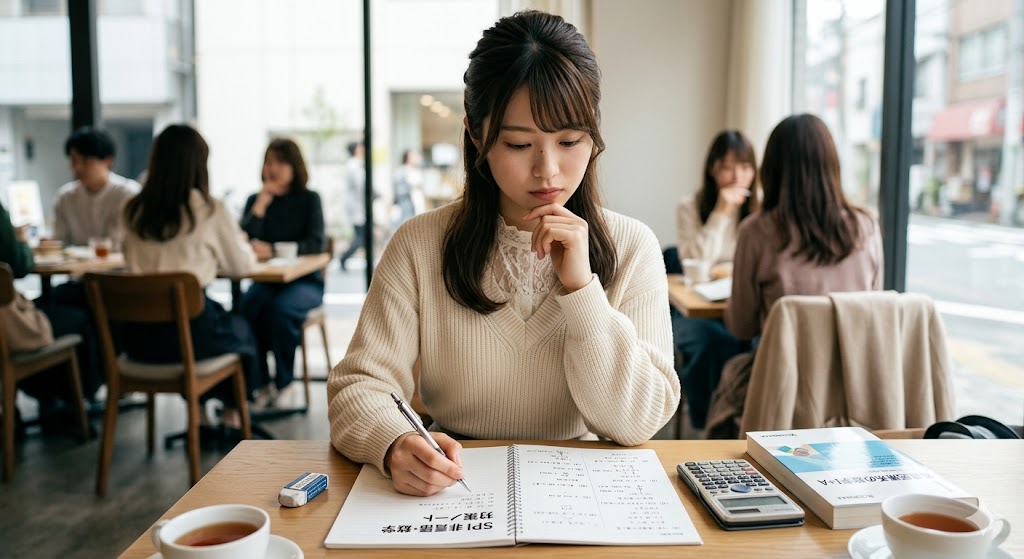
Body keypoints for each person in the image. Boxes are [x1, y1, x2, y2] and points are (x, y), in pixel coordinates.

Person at [327, 10, 679, 497]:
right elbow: (357, 387)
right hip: (454, 488)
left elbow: (638, 422)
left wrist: (582, 290)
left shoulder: (633, 247)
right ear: (476, 135)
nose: (547, 170)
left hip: (583, 491)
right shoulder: (419, 244)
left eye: (569, 140)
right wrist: (395, 442)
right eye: (518, 144)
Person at [120, 124, 261, 428]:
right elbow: (240, 267)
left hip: (138, 340)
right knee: (240, 331)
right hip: (190, 335)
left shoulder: (133, 210)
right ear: (198, 165)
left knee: (216, 326)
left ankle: (199, 413)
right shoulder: (209, 209)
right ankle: (232, 412)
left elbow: (130, 261)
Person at [725, 113, 883, 341]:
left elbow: (742, 327)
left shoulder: (756, 231)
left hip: (784, 363)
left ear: (770, 168)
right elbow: (874, 310)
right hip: (852, 363)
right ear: (832, 165)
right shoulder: (867, 226)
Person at [672, 130, 758, 430]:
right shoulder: (690, 206)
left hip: (739, 304)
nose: (737, 176)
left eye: (745, 167)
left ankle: (746, 422)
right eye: (727, 167)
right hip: (696, 308)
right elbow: (695, 262)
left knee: (757, 339)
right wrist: (722, 212)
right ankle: (707, 426)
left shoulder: (760, 209)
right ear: (712, 169)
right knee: (712, 342)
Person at [0, 201, 102, 433]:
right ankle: (73, 402)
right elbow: (19, 264)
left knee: (55, 303)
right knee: (79, 320)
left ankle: (47, 400)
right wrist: (21, 241)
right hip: (7, 334)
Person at [239, 139, 325, 407]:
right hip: (267, 281)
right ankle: (260, 383)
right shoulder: (256, 200)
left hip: (305, 281)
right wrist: (261, 204)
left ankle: (285, 382)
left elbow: (316, 243)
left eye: (280, 162)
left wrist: (274, 248)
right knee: (246, 309)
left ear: (294, 166)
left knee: (281, 310)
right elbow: (241, 241)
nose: (272, 168)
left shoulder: (309, 199)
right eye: (268, 161)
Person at [52, 127, 140, 248]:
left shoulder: (128, 194)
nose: (78, 167)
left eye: (86, 161)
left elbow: (122, 244)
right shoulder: (65, 198)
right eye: (74, 160)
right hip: (75, 261)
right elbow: (60, 242)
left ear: (108, 160)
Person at [337, 141, 367, 271]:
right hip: (357, 208)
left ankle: (345, 258)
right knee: (361, 237)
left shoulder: (354, 164)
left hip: (357, 207)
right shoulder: (354, 165)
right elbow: (361, 185)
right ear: (356, 150)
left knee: (362, 237)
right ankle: (344, 257)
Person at [392, 149, 424, 226]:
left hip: (414, 208)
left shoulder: (414, 171)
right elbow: (400, 190)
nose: (417, 158)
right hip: (406, 207)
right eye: (414, 156)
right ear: (408, 158)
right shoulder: (402, 171)